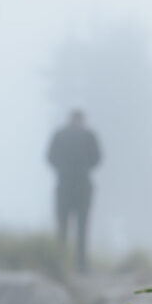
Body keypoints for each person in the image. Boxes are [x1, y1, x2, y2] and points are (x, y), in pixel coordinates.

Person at [46, 109, 102, 272]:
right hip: (80, 185)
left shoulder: (61, 135)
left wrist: (63, 169)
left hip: (66, 184)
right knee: (78, 227)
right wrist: (83, 168)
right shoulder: (88, 136)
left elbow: (50, 157)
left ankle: (66, 263)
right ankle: (78, 265)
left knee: (67, 226)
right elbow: (97, 158)